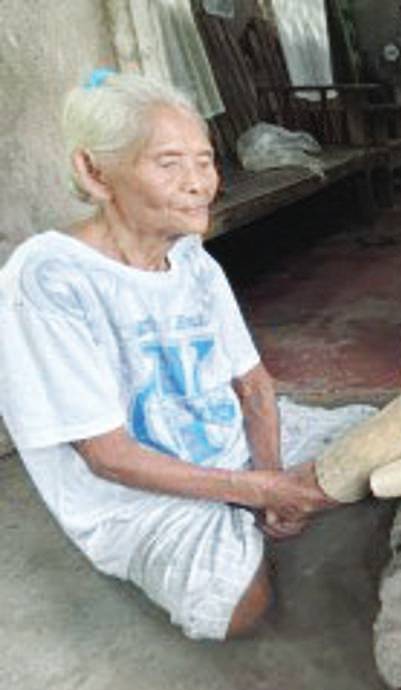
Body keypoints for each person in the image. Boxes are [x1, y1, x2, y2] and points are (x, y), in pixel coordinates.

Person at [0, 70, 371, 640]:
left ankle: (256, 519)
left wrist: (267, 476)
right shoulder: (49, 277)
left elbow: (255, 387)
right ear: (93, 172)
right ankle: (243, 535)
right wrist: (267, 493)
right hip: (136, 492)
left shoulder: (193, 261)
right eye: (169, 163)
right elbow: (110, 457)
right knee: (239, 610)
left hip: (227, 448)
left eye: (204, 161)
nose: (199, 183)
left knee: (380, 448)